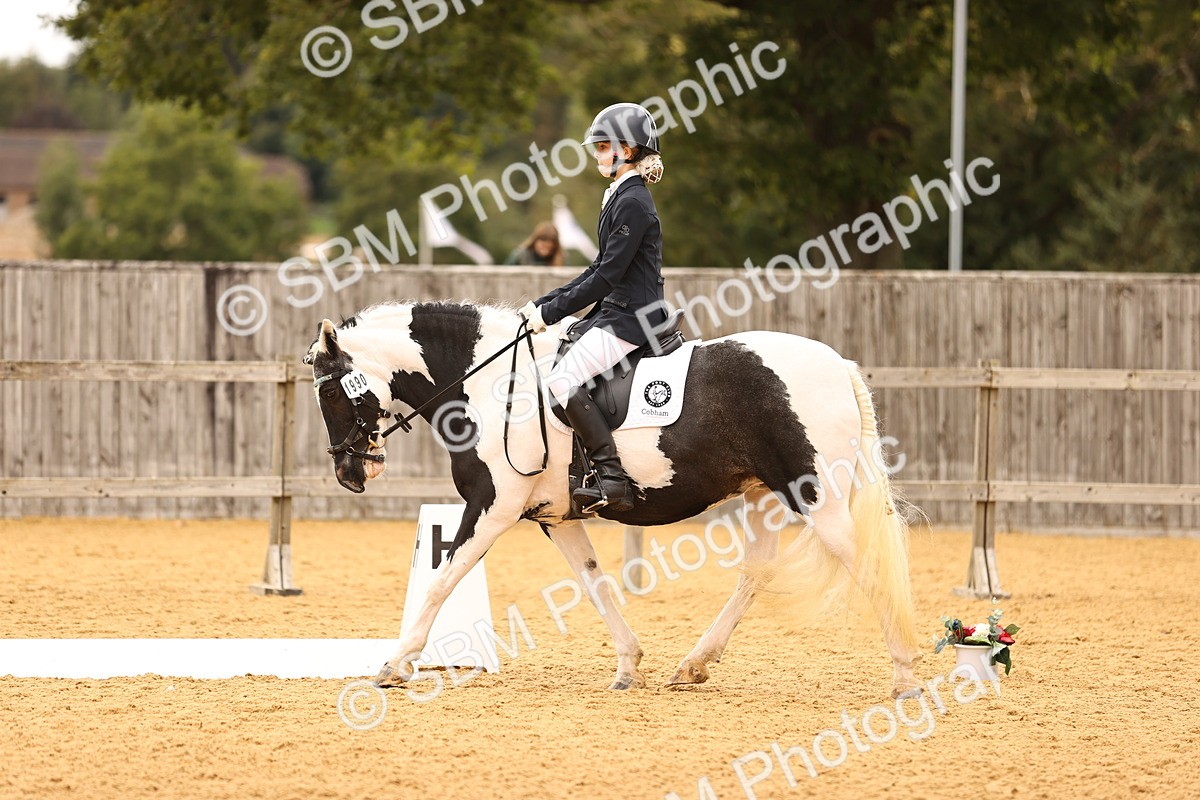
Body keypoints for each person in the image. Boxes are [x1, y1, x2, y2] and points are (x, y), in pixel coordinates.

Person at [519, 102, 667, 513]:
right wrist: (545, 303)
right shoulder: (620, 196)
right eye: (598, 147)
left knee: (562, 379)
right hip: (616, 310)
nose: (598, 154)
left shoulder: (633, 201)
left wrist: (550, 314)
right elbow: (598, 267)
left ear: (628, 150)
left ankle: (611, 475)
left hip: (633, 317)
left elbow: (607, 277)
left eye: (604, 147)